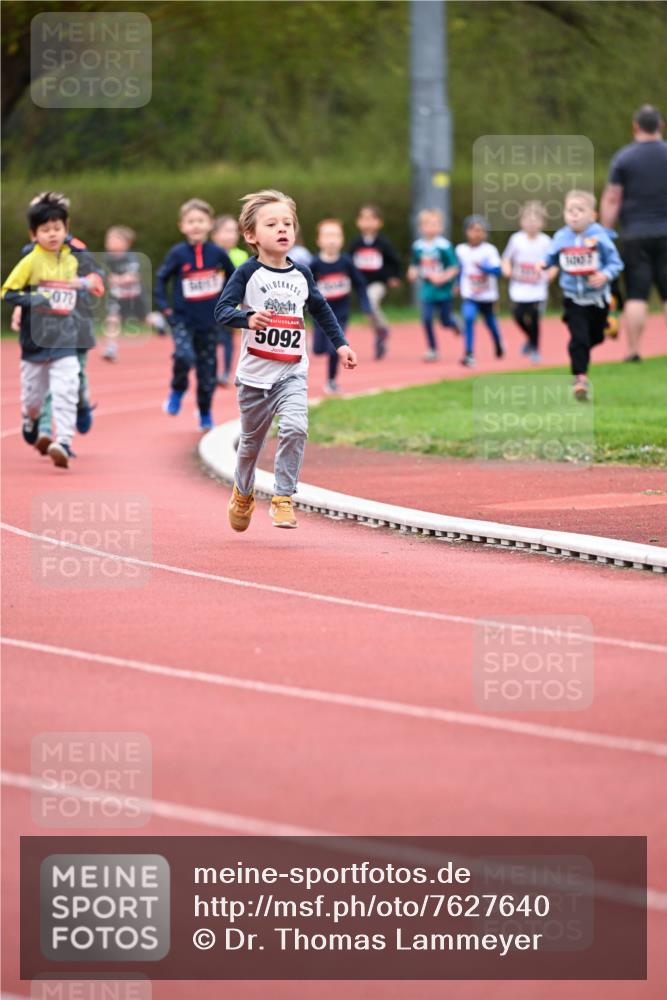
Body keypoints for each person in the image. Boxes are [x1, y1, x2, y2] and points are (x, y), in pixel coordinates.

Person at [214, 189, 357, 531]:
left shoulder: (302, 274)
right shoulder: (247, 273)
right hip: (254, 377)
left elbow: (321, 309)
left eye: (288, 223)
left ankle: (282, 497)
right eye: (272, 223)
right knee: (250, 444)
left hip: (292, 372)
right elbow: (221, 310)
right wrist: (246, 319)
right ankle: (243, 492)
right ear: (251, 235)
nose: (283, 229)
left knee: (296, 428)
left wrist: (341, 344)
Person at [2, 192, 104, 468]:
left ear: (66, 227)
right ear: (34, 233)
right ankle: (38, 424)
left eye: (57, 227)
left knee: (71, 384)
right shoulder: (30, 257)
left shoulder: (76, 254)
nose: (52, 233)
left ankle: (65, 437)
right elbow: (14, 290)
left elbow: (98, 280)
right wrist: (26, 304)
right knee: (39, 392)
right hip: (37, 337)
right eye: (45, 228)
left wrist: (81, 283)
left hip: (73, 331)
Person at [155, 198, 235, 430]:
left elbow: (234, 277)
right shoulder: (178, 253)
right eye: (191, 221)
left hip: (210, 322)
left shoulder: (217, 253)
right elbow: (161, 279)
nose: (196, 225)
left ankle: (205, 412)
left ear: (210, 224)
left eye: (201, 220)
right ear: (182, 226)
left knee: (207, 372)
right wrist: (165, 308)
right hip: (182, 320)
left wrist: (228, 303)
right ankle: (177, 390)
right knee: (183, 356)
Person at [600, 104, 667, 361]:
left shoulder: (624, 158)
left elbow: (612, 198)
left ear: (635, 127)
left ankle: (634, 350)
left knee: (636, 294)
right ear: (660, 126)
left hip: (635, 234)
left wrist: (605, 232)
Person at [543, 190, 623, 401]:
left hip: (597, 299)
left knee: (594, 337)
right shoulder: (561, 236)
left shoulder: (600, 236)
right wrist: (543, 263)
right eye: (570, 210)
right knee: (578, 338)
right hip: (573, 298)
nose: (574, 215)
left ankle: (608, 320)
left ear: (593, 215)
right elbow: (550, 255)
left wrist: (605, 275)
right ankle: (580, 379)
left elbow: (616, 263)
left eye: (580, 210)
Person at [309, 218, 369, 393]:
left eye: (336, 235)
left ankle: (331, 380)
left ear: (342, 240)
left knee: (334, 348)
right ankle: (314, 342)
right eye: (327, 235)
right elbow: (304, 288)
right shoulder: (314, 264)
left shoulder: (346, 262)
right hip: (320, 314)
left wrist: (365, 305)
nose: (332, 240)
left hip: (340, 313)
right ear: (318, 240)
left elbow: (360, 283)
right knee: (319, 350)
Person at [102, 225, 165, 362]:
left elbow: (133, 276)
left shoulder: (131, 257)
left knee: (145, 320)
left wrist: (117, 279)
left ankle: (158, 319)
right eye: (109, 239)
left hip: (135, 297)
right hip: (117, 297)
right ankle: (110, 349)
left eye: (114, 239)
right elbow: (105, 275)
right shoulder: (107, 258)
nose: (110, 242)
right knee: (112, 319)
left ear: (126, 243)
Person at [348, 204, 401, 359]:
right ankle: (379, 337)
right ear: (358, 222)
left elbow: (394, 261)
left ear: (379, 223)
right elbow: (348, 262)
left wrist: (394, 277)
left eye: (372, 219)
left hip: (378, 282)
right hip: (361, 284)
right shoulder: (356, 243)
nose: (368, 223)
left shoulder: (383, 243)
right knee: (367, 311)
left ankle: (384, 329)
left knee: (371, 302)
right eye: (364, 219)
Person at [501, 201, 552, 363]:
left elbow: (554, 263)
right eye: (527, 219)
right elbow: (506, 258)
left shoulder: (545, 241)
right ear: (521, 222)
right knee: (517, 315)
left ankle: (536, 350)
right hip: (519, 287)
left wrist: (550, 274)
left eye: (535, 220)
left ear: (542, 223)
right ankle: (530, 338)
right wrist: (507, 269)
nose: (531, 223)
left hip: (537, 288)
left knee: (535, 318)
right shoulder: (516, 239)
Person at [407, 208, 460, 362]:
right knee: (427, 318)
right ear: (421, 227)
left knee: (444, 321)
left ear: (441, 227)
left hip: (444, 290)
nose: (431, 227)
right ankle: (432, 349)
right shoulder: (418, 246)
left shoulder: (444, 246)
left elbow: (454, 267)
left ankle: (454, 322)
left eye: (435, 224)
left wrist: (442, 277)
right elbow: (415, 264)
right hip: (428, 289)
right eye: (428, 224)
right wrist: (412, 272)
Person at [455, 215, 504, 367]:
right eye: (473, 230)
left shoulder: (489, 250)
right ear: (466, 232)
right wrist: (456, 284)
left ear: (485, 233)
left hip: (487, 296)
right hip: (470, 294)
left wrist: (484, 267)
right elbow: (459, 269)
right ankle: (469, 353)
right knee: (468, 318)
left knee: (490, 323)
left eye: (480, 231)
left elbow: (498, 271)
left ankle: (498, 342)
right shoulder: (461, 250)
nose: (476, 234)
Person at [211, 215, 250, 387]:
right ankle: (210, 372)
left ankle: (225, 373)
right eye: (226, 231)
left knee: (227, 340)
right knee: (210, 341)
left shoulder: (241, 256)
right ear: (215, 235)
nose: (231, 235)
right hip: (208, 306)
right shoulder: (208, 254)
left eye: (234, 231)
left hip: (230, 307)